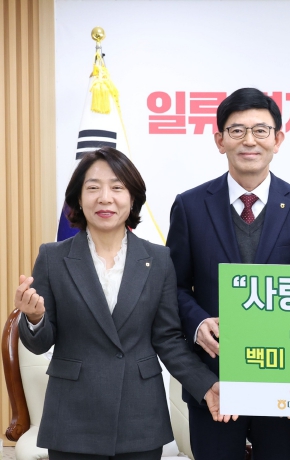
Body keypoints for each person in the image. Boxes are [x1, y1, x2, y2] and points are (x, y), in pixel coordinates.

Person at [14, 147, 226, 460]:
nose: (105, 198)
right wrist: (34, 318)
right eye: (93, 188)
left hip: (140, 417)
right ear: (78, 198)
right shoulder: (53, 257)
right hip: (72, 417)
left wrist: (206, 385)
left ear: (132, 198)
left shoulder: (158, 259)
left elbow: (168, 340)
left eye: (117, 187)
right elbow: (40, 342)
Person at [167, 87, 290, 460]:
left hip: (283, 377)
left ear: (278, 140)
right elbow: (173, 285)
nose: (249, 141)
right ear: (220, 140)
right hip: (214, 377)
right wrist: (198, 322)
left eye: (260, 130)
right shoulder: (190, 206)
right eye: (237, 131)